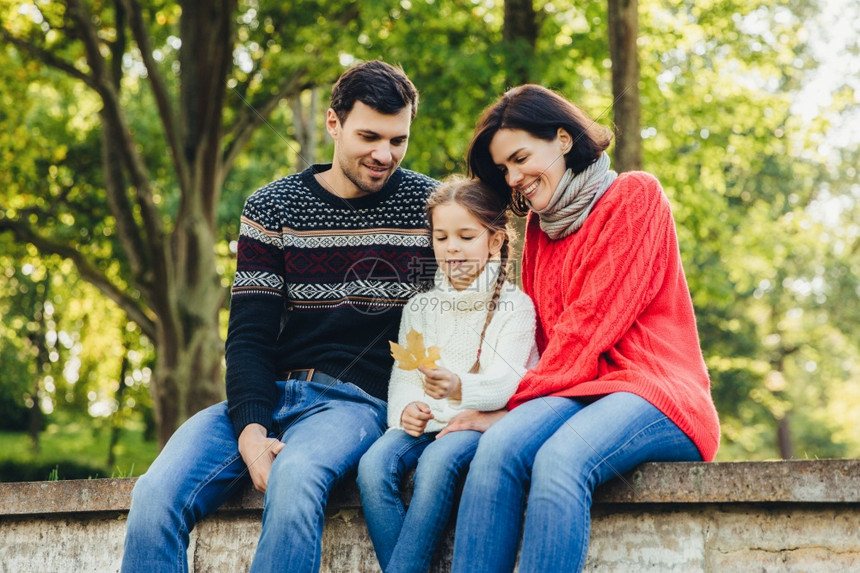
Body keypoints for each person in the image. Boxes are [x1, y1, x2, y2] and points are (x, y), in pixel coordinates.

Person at [122, 60, 439, 573]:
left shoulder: (427, 206)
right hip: (270, 391)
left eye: (398, 140)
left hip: (354, 403)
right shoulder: (274, 207)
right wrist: (251, 430)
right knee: (155, 495)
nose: (385, 155)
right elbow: (248, 334)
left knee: (294, 478)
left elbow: (462, 311)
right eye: (369, 136)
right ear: (334, 124)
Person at [441, 84, 721, 572]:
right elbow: (547, 344)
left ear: (564, 140)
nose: (513, 177)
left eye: (521, 157)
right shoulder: (542, 238)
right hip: (580, 389)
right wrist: (496, 412)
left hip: (656, 392)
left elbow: (589, 327)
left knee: (560, 461)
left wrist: (511, 408)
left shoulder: (634, 196)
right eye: (504, 169)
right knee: (497, 451)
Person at [356, 177, 539, 573]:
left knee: (438, 464)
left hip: (475, 427)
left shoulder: (516, 306)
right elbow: (405, 376)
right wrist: (407, 410)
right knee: (373, 467)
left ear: (494, 241)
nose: (451, 247)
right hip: (425, 425)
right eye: (441, 237)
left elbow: (506, 383)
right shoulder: (421, 306)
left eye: (465, 236)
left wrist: (459, 387)